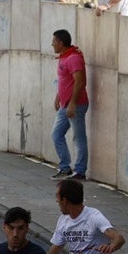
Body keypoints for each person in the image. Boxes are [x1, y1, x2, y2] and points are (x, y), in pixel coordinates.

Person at [50, 29, 89, 181]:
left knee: (79, 138)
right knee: (56, 134)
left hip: (76, 104)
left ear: (61, 43)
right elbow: (65, 80)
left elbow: (79, 82)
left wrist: (72, 103)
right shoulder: (64, 57)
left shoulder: (73, 58)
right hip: (65, 104)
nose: (52, 44)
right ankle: (65, 168)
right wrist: (58, 96)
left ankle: (80, 171)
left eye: (54, 41)